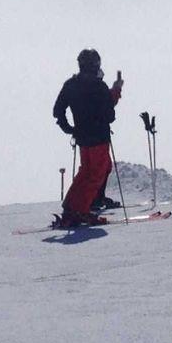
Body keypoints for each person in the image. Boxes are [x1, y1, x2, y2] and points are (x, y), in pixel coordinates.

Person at [52, 48, 123, 225]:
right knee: (96, 173)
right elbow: (109, 115)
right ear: (96, 65)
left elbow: (58, 110)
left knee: (86, 172)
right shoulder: (99, 86)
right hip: (98, 137)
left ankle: (71, 206)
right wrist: (115, 91)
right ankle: (82, 210)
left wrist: (68, 128)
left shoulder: (71, 84)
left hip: (82, 137)